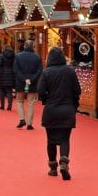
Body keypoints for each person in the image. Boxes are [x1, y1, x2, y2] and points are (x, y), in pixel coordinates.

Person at [37, 47, 81, 180]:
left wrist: (45, 100)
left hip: (51, 109)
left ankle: (52, 167)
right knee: (64, 138)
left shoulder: (46, 72)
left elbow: (40, 91)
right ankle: (64, 161)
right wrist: (74, 104)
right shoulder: (70, 71)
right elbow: (77, 90)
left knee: (50, 139)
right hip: (67, 109)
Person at [13, 39, 42, 130]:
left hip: (21, 81)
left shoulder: (18, 56)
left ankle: (22, 119)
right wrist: (31, 79)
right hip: (32, 82)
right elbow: (39, 70)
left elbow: (16, 70)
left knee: (19, 101)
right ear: (33, 46)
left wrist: (24, 79)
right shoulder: (37, 57)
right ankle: (29, 123)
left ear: (24, 46)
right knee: (31, 103)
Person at [0, 45, 15, 110]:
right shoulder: (13, 56)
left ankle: (2, 106)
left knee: (2, 90)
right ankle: (9, 106)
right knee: (9, 91)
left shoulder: (2, 55)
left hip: (3, 74)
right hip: (11, 74)